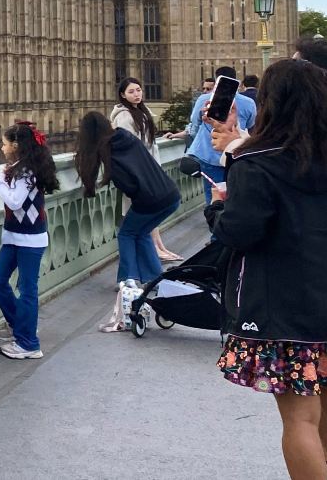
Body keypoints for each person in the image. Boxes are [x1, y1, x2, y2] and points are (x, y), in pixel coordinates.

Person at [206, 58, 327, 480]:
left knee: (300, 421)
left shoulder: (257, 165)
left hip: (286, 309)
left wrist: (219, 206)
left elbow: (240, 232)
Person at [76, 110, 181, 333]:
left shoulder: (107, 150)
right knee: (141, 233)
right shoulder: (126, 137)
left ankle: (128, 279)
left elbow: (125, 182)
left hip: (148, 199)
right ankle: (154, 279)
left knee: (126, 233)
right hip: (170, 194)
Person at [0, 121, 59, 360]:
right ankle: (21, 326)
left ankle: (29, 343)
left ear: (16, 146)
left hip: (29, 239)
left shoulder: (25, 172)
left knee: (27, 289)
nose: (1, 147)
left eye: (4, 143)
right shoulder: (20, 168)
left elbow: (15, 202)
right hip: (15, 237)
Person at [110, 77, 181, 262]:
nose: (137, 94)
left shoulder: (141, 112)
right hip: (139, 174)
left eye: (139, 90)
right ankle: (152, 253)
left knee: (149, 213)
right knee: (142, 214)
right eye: (132, 91)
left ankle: (158, 246)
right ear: (122, 95)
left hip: (149, 170)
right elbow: (130, 151)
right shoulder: (124, 117)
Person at [185, 66, 257, 202]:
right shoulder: (249, 103)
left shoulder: (204, 99)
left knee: (214, 196)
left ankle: (214, 218)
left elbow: (195, 122)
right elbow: (250, 126)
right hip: (236, 154)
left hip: (209, 154)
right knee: (237, 195)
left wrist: (192, 141)